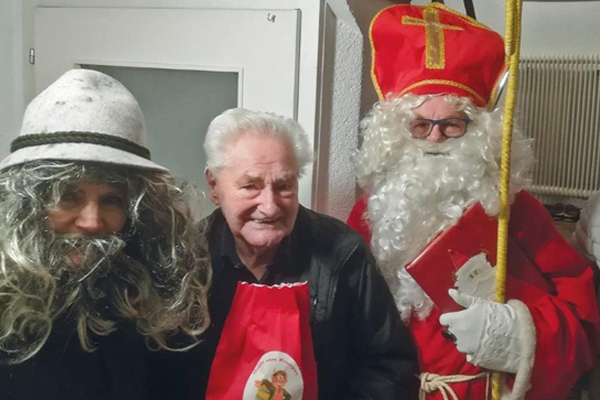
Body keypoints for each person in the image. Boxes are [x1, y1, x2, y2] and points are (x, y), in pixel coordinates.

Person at [347, 3, 600, 400]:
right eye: (420, 125)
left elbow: (582, 319)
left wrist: (520, 334)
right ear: (395, 134)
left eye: (452, 124)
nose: (435, 138)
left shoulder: (515, 209)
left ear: (478, 132)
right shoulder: (369, 212)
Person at [159, 107, 415, 400]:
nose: (269, 207)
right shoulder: (185, 258)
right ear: (214, 186)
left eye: (283, 186)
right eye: (250, 186)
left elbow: (388, 366)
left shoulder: (344, 253)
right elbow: (164, 371)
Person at [0, 69, 211, 399]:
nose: (92, 221)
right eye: (68, 196)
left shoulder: (153, 303)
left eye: (112, 200)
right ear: (28, 204)